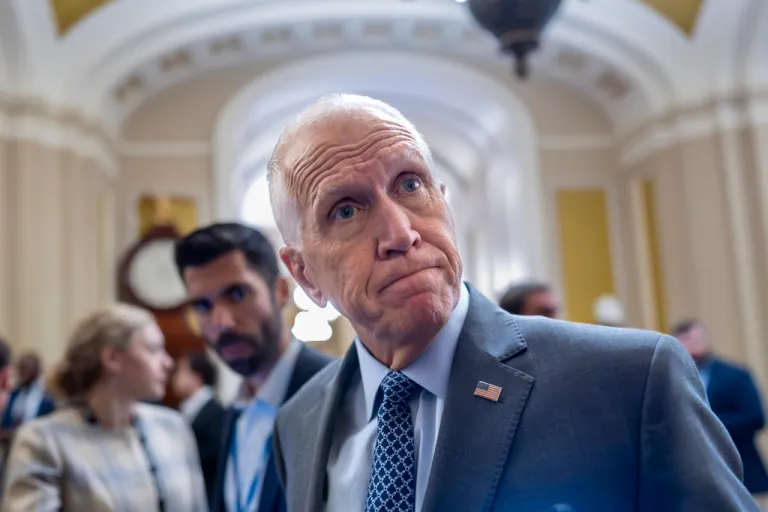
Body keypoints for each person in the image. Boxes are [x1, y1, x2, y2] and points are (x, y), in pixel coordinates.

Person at [266, 94, 756, 512]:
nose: (400, 233)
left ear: (443, 200)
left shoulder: (630, 380)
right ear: (305, 274)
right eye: (345, 209)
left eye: (409, 184)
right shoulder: (299, 420)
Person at [174, 222, 333, 512]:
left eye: (237, 295)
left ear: (281, 291)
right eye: (203, 307)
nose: (221, 322)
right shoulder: (235, 411)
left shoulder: (337, 391)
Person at [2, 303, 206, 511]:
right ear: (112, 358)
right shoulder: (44, 441)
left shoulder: (173, 428)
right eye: (153, 350)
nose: (168, 362)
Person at [672, 319, 768, 499]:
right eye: (684, 341)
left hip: (742, 472)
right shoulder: (674, 380)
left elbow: (756, 417)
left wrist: (706, 424)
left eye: (695, 339)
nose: (691, 346)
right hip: (696, 479)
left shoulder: (735, 375)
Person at [172, 351, 226, 507]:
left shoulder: (216, 411)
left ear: (196, 378)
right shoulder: (184, 410)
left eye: (180, 371)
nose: (174, 377)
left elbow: (215, 454)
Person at [0, 352, 55, 429]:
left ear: (36, 371)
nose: (23, 372)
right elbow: (5, 421)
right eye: (20, 368)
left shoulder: (46, 400)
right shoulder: (13, 394)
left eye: (26, 368)